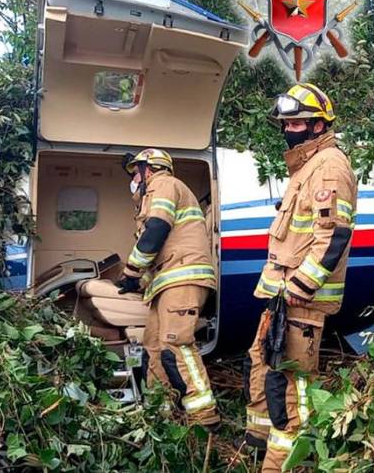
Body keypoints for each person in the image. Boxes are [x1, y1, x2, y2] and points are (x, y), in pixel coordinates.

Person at [241, 84, 357, 471]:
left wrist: (299, 288)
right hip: (282, 295)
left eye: (295, 123)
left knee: (291, 389)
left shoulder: (329, 167)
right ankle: (258, 445)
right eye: (286, 124)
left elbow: (333, 236)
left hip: (300, 299)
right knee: (261, 367)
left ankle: (289, 463)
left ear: (319, 125)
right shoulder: (306, 167)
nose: (288, 130)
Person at [118, 148, 219, 427]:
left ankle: (204, 416)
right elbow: (161, 248)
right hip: (167, 281)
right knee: (154, 347)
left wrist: (130, 271)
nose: (134, 180)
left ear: (149, 169)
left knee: (177, 345)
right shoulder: (153, 196)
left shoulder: (163, 185)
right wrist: (140, 281)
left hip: (182, 278)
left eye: (136, 173)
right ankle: (160, 412)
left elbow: (156, 231)